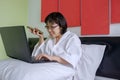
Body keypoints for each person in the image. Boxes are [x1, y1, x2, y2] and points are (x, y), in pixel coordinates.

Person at [30, 12, 82, 80]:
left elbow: (73, 58)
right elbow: (39, 53)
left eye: (52, 27)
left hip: (62, 71)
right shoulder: (50, 39)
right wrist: (41, 37)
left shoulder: (72, 38)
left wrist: (52, 57)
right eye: (47, 27)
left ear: (61, 26)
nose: (49, 30)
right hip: (48, 68)